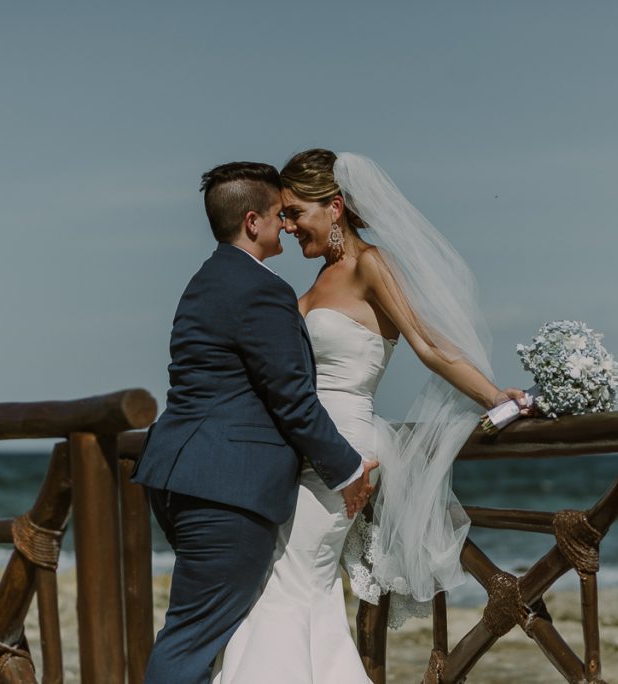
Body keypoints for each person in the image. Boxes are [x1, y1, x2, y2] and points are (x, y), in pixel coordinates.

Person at [215, 150, 531, 683]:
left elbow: (430, 345)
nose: (287, 226)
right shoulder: (312, 287)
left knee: (290, 582)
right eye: (283, 216)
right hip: (299, 451)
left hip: (344, 451)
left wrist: (495, 397)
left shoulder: (371, 265)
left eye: (295, 213)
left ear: (334, 207)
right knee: (292, 584)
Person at [131, 161, 379, 684]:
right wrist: (349, 469)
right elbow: (291, 397)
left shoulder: (209, 277)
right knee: (192, 639)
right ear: (252, 222)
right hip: (227, 488)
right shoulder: (260, 289)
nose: (286, 225)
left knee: (200, 632)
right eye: (277, 215)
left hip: (185, 475)